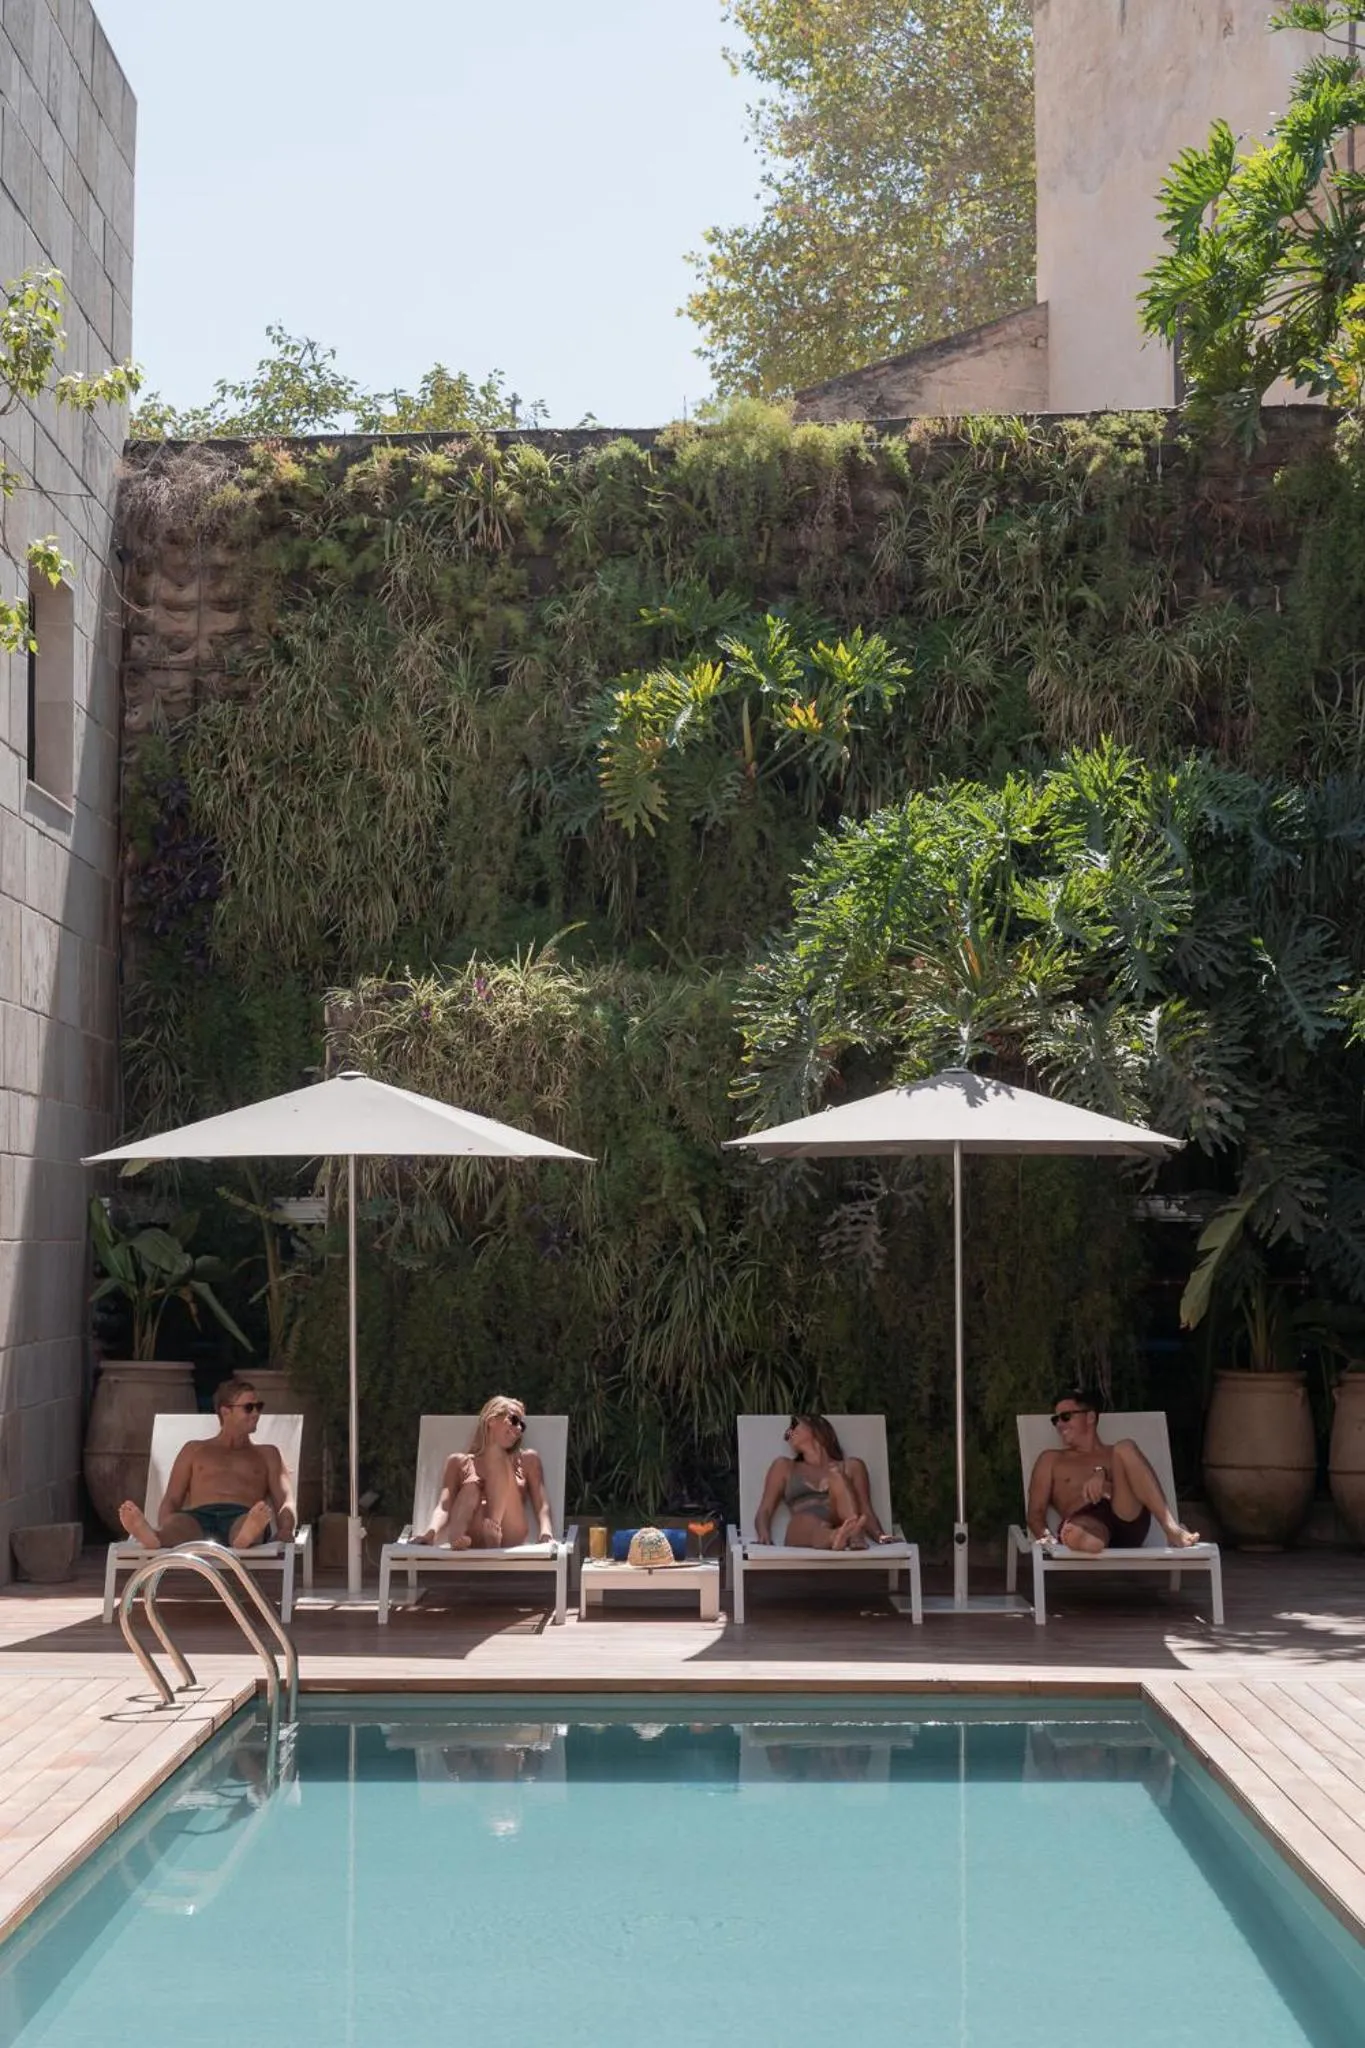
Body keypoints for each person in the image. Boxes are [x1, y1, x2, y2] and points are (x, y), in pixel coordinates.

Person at [118, 1376, 296, 1551]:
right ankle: (156, 1538)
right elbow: (172, 1499)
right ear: (226, 1412)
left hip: (242, 1515)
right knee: (179, 1522)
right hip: (198, 1518)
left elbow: (285, 1501)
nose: (256, 1413)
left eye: (259, 1407)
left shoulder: (267, 1454)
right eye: (249, 1408)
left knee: (249, 1523)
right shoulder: (194, 1450)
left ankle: (244, 1539)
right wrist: (168, 1524)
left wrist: (286, 1529)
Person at [1026, 1389, 1200, 1552]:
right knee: (1079, 1533)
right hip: (1087, 1523)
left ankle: (1171, 1529)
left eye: (1065, 1417)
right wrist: (1046, 1538)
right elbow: (1036, 1511)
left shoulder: (1117, 1455)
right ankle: (1092, 1541)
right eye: (1055, 1420)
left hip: (1126, 1517)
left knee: (1125, 1447)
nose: (1059, 1425)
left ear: (1090, 1417)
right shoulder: (1051, 1460)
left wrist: (1102, 1476)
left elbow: (1134, 1491)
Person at [415, 1396, 556, 1549]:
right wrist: (430, 1534)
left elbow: (541, 1503)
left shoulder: (528, 1459)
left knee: (497, 1456)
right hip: (471, 1534)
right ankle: (457, 1536)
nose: (519, 1429)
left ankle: (494, 1529)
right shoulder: (458, 1462)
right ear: (491, 1420)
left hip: (510, 1531)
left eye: (522, 1425)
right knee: (471, 1488)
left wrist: (545, 1532)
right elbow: (444, 1506)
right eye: (514, 1420)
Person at [754, 1413, 898, 1550]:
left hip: (838, 1520)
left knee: (836, 1476)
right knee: (802, 1521)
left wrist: (881, 1536)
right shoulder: (784, 1467)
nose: (788, 1434)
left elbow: (866, 1510)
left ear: (817, 1428)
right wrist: (763, 1533)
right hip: (803, 1530)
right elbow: (765, 1510)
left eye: (794, 1426)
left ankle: (852, 1534)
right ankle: (836, 1537)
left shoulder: (852, 1466)